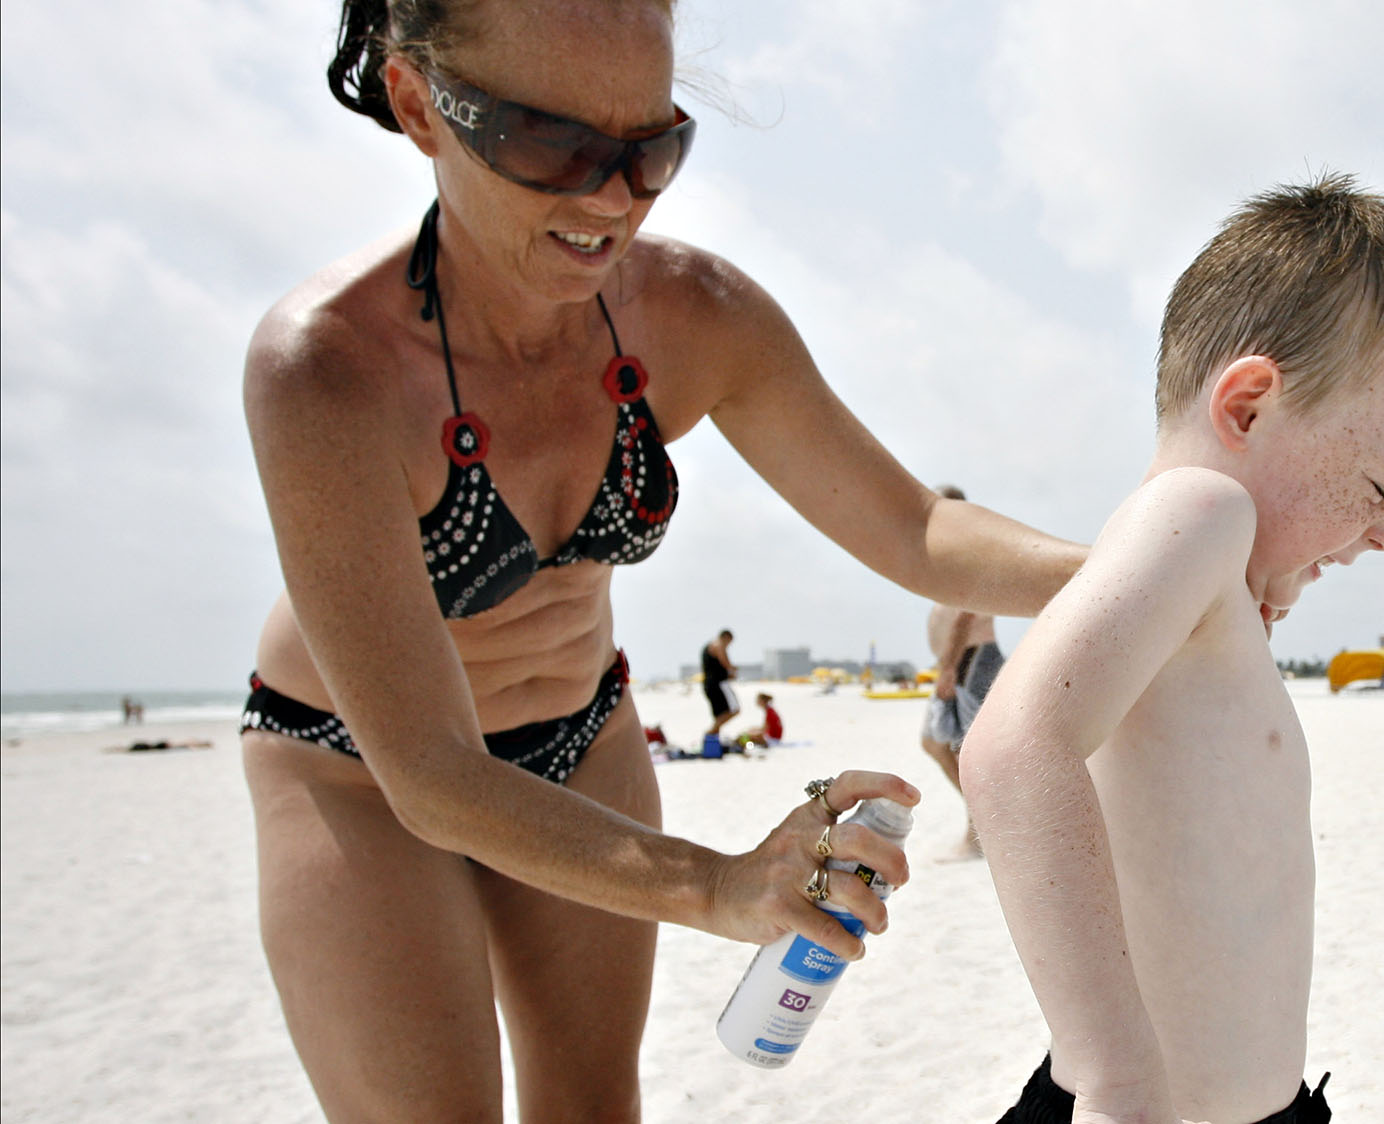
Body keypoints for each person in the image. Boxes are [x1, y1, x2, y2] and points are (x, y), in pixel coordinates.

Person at [236, 3, 1084, 1118]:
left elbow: (913, 529)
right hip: (358, 768)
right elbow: (432, 773)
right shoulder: (326, 371)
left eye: (649, 149)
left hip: (581, 734)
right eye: (550, 143)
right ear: (415, 106)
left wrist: (1171, 566)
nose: (609, 199)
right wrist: (719, 883)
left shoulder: (694, 313)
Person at [961, 174, 1384, 1124]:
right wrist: (1112, 1070)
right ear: (1246, 408)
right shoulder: (1198, 511)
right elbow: (1014, 747)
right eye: (1381, 488)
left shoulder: (1214, 577)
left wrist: (1271, 580)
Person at [919, 483, 1007, 856]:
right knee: (942, 745)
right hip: (965, 660)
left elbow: (965, 610)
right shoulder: (957, 548)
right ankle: (982, 824)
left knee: (955, 748)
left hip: (971, 660)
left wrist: (949, 668)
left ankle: (981, 829)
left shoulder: (965, 547)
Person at [701, 628, 738, 738]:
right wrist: (732, 670)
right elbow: (724, 661)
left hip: (710, 684)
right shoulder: (718, 645)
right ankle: (711, 731)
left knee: (719, 713)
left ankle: (713, 738)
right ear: (726, 638)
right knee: (734, 709)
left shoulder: (710, 645)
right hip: (718, 684)